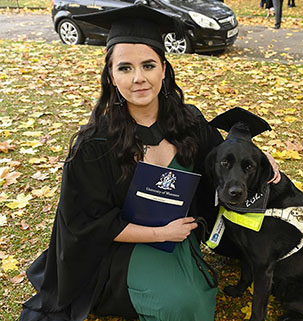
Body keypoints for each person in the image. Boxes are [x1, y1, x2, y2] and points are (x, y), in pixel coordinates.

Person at [19, 3, 281, 321]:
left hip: (177, 235)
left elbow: (222, 154)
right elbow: (87, 224)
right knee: (182, 304)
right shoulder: (95, 145)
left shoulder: (189, 123)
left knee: (198, 298)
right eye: (125, 68)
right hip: (118, 248)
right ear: (111, 76)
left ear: (164, 69)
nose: (138, 78)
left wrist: (257, 154)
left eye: (148, 65)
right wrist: (160, 234)